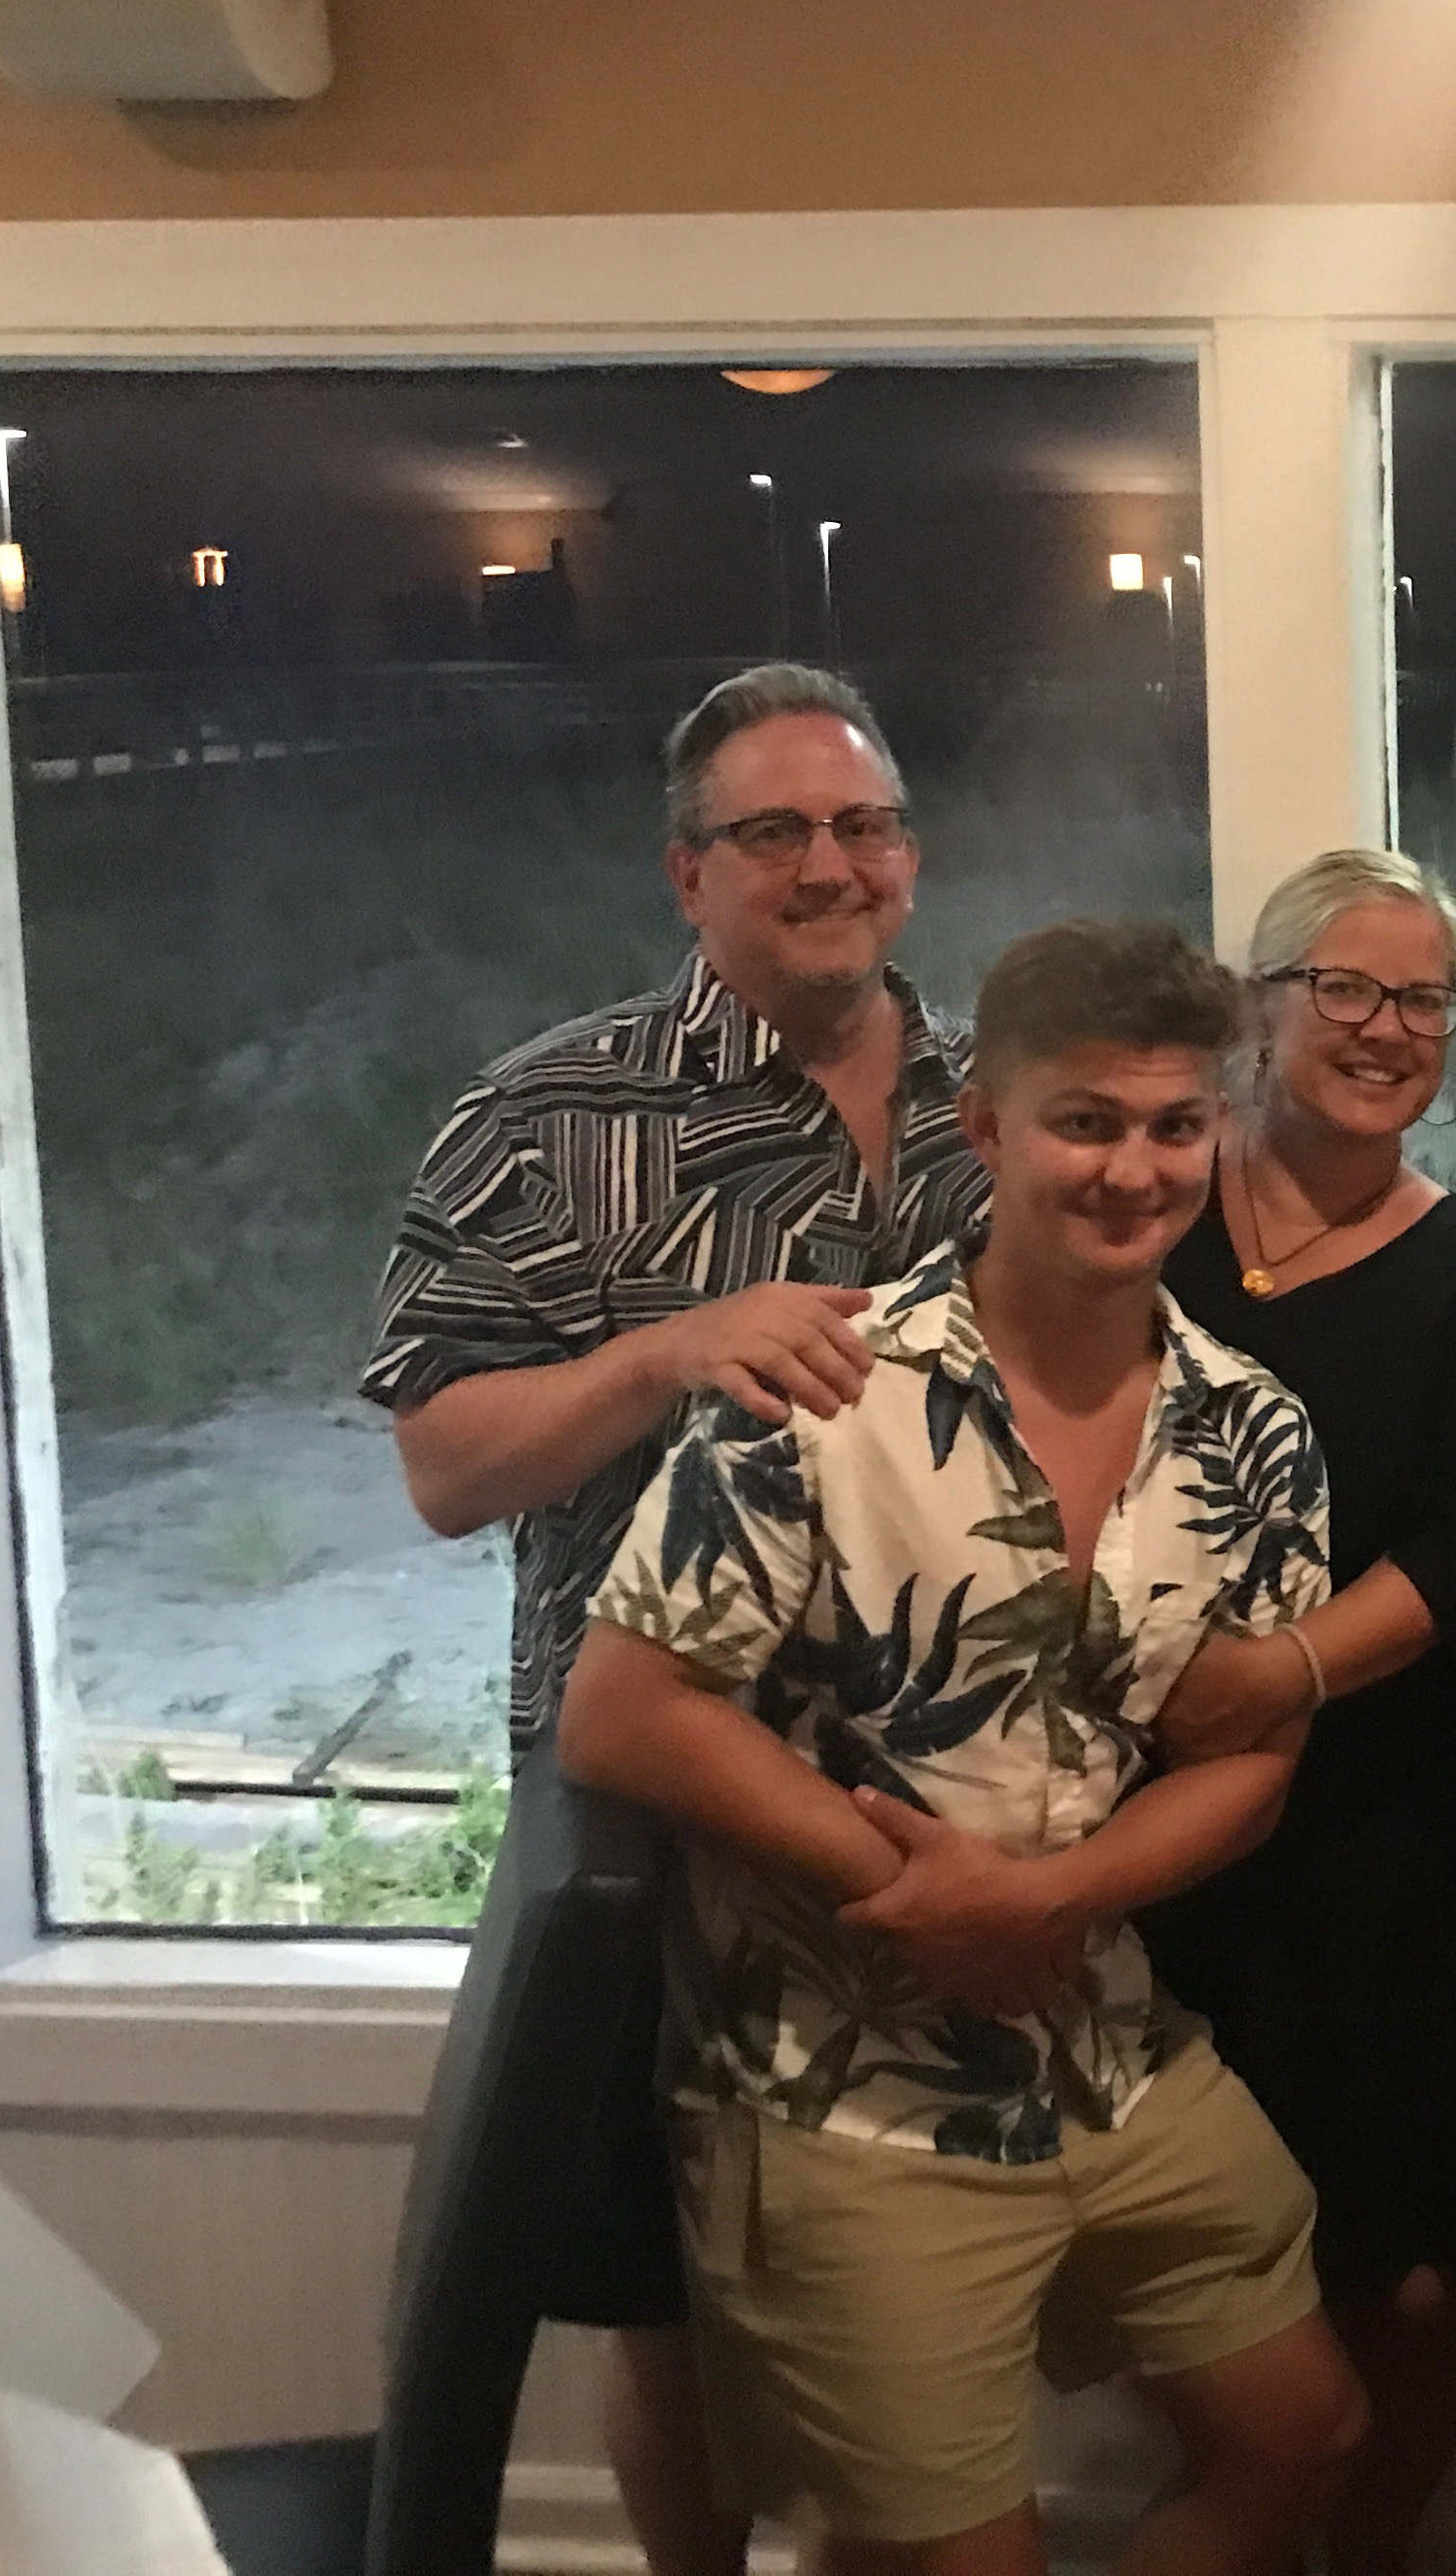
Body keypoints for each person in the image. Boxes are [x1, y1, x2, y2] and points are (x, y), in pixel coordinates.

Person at [556, 917, 1367, 2576]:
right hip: (845, 2095)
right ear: (986, 1129)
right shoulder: (823, 1391)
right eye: (1085, 1122)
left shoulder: (1253, 1427)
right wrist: (920, 1894)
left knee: (1308, 2439)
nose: (1133, 1168)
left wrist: (1049, 1907)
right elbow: (622, 1710)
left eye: (1172, 1126)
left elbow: (1252, 1754)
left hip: (1115, 2047)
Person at [364, 661, 989, 2576]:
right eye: (774, 832)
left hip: (944, 1797)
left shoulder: (1000, 1094)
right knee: (662, 2286)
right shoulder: (548, 1116)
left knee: (917, 2273)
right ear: (686, 873)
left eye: (863, 824)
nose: (829, 864)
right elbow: (448, 1469)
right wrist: (663, 1354)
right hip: (654, 1806)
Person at [1135, 848, 1456, 2576]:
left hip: (1389, 1847)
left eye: (1422, 1001)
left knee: (1399, 2270)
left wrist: (1279, 1674)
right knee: (1187, 2266)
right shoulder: (1144, 1211)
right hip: (1148, 1846)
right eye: (1347, 989)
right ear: (1262, 1004)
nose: (1386, 1029)